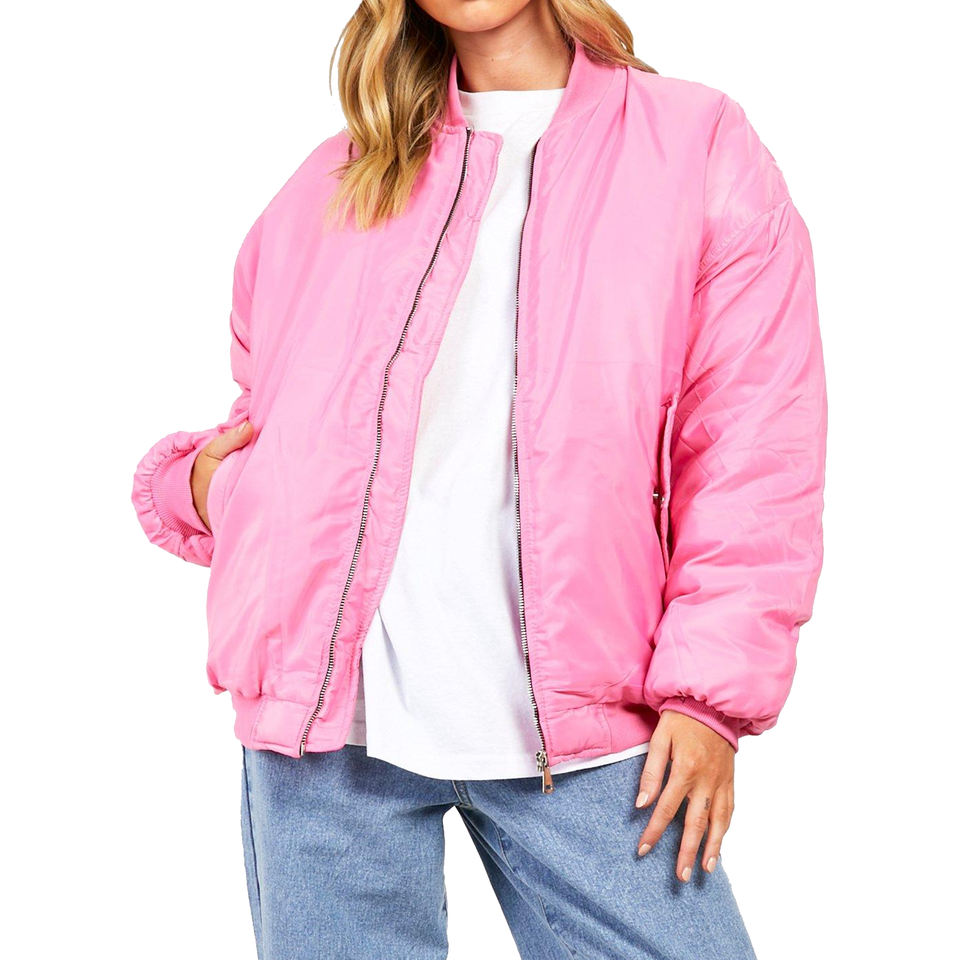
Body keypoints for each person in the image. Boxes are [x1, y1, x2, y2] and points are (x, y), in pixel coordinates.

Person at [131, 1, 827, 957]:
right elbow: (274, 412)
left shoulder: (695, 144)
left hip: (595, 726)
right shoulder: (336, 177)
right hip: (328, 732)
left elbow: (755, 444)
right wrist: (211, 490)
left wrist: (709, 697)